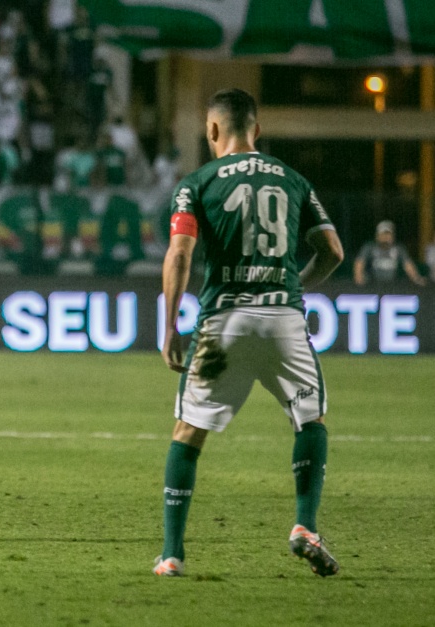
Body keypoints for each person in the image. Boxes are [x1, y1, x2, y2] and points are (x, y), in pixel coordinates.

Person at [156, 89, 345, 577]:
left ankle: (172, 554)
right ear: (256, 131)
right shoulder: (293, 179)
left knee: (188, 433)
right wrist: (293, 286)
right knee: (311, 419)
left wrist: (171, 324)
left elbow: (180, 254)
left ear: (213, 131)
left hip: (225, 322)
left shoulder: (197, 182)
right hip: (284, 320)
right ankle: (305, 525)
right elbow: (333, 252)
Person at [353, 220, 426, 286]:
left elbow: (407, 264)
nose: (386, 237)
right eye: (383, 234)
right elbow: (360, 262)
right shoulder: (370, 247)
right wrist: (358, 276)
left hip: (393, 285)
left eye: (388, 234)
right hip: (372, 284)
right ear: (377, 236)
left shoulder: (399, 248)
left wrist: (416, 278)